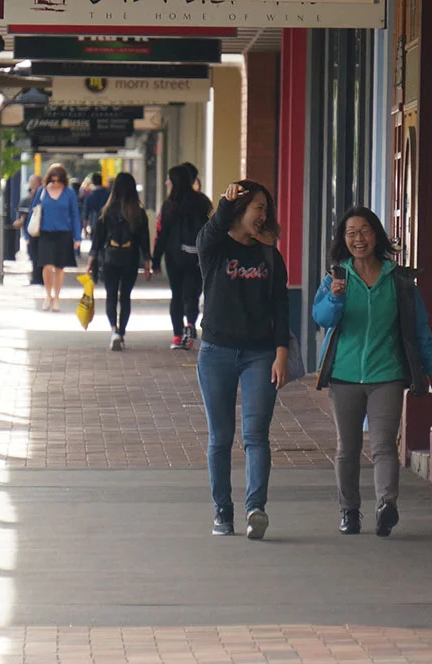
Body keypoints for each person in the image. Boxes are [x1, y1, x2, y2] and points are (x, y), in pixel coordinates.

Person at [312, 206, 432, 537]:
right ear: (343, 240)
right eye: (351, 233)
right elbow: (322, 318)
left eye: (365, 231)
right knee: (348, 447)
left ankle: (386, 505)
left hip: (387, 373)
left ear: (377, 235)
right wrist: (336, 299)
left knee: (384, 445)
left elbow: (419, 328)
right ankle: (349, 511)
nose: (359, 239)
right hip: (344, 374)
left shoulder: (397, 279)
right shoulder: (336, 277)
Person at [196, 180, 290, 540]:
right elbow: (210, 233)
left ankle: (256, 508)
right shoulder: (215, 250)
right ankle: (222, 510)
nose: (263, 215)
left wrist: (281, 352)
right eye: (257, 208)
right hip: (216, 352)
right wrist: (224, 202)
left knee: (255, 436)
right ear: (239, 211)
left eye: (267, 208)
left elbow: (281, 307)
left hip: (260, 354)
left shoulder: (269, 257)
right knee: (220, 437)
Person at [86, 173, 153, 351]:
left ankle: (114, 331)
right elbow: (144, 239)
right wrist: (147, 262)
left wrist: (91, 260)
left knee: (111, 295)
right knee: (125, 297)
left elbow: (98, 238)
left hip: (110, 258)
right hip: (130, 258)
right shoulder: (138, 211)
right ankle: (122, 332)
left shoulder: (107, 211)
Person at [153, 165, 212, 350]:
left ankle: (177, 336)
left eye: (169, 178)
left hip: (174, 256)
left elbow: (162, 234)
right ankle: (191, 325)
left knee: (176, 294)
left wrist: (155, 260)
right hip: (197, 256)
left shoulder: (170, 205)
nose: (166, 182)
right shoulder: (202, 201)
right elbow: (211, 229)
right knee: (193, 293)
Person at [31, 163, 81, 311]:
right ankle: (48, 295)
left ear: (63, 180)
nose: (55, 183)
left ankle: (57, 298)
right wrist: (28, 234)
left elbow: (74, 215)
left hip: (64, 233)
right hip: (46, 233)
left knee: (59, 267)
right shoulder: (42, 191)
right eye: (52, 180)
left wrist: (77, 237)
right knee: (47, 265)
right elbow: (34, 211)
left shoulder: (69, 193)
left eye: (58, 180)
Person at [16, 174, 43, 285]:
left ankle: (38, 277)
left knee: (38, 254)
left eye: (34, 182)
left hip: (40, 229)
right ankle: (36, 276)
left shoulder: (42, 194)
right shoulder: (27, 199)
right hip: (31, 229)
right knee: (33, 254)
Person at [82, 172, 109, 238]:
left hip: (94, 225)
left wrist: (85, 230)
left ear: (93, 182)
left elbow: (85, 215)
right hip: (107, 224)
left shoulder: (89, 196)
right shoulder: (108, 194)